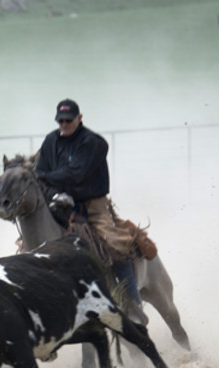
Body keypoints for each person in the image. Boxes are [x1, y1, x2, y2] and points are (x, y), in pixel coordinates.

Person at [35, 98, 148, 323]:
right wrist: (53, 193)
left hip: (93, 207)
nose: (64, 124)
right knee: (33, 245)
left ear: (79, 118)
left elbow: (75, 173)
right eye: (61, 120)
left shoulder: (93, 143)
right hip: (58, 205)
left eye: (68, 120)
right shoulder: (50, 141)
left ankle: (133, 306)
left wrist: (45, 177)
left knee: (116, 245)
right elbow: (40, 173)